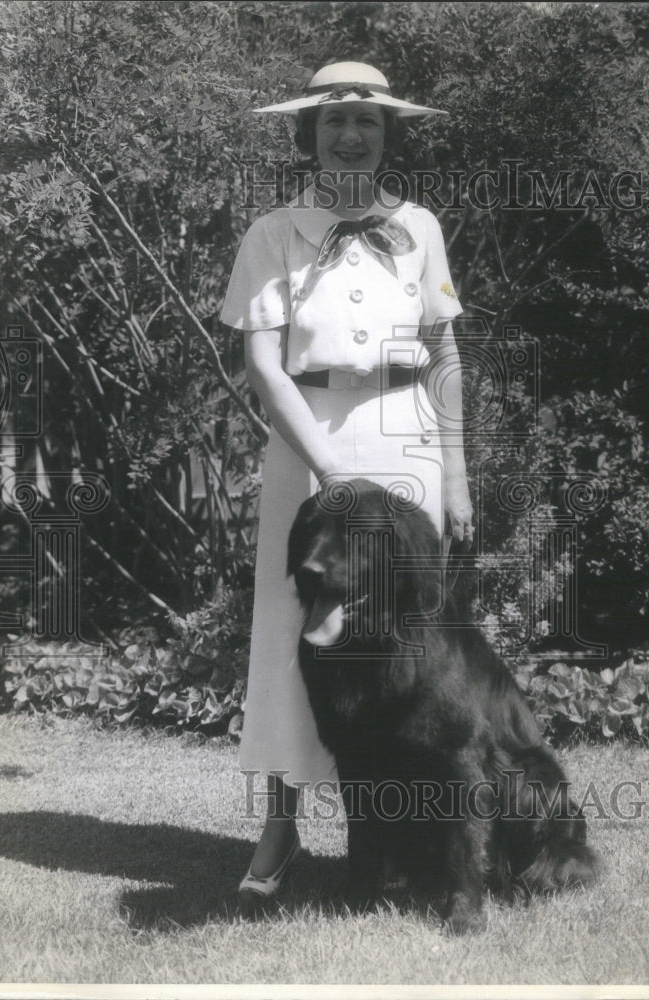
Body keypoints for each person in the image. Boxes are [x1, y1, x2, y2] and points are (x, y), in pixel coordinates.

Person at [219, 61, 473, 906]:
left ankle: (406, 834)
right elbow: (262, 365)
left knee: (407, 643)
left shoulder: (422, 229)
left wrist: (458, 469)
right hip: (310, 441)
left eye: (367, 120)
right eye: (333, 122)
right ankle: (280, 828)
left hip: (408, 443)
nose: (350, 134)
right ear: (309, 135)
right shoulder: (272, 233)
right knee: (298, 631)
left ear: (388, 133)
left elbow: (443, 352)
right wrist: (329, 471)